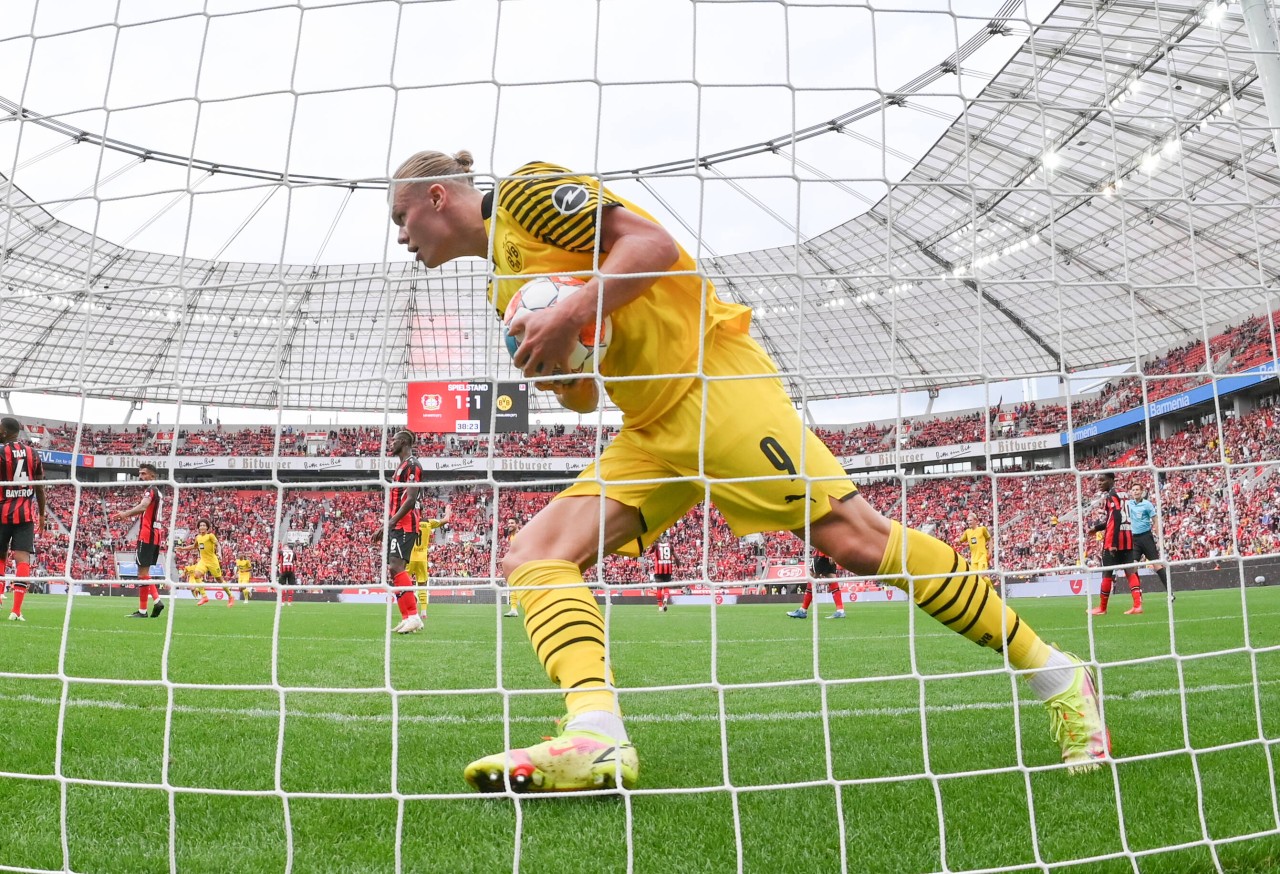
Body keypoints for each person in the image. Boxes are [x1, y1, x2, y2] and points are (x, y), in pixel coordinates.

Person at [389, 150, 1108, 793]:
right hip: (649, 428)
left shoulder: (526, 193)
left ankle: (1058, 674)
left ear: (437, 199)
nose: (400, 236)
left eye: (400, 217)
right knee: (535, 555)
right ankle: (596, 733)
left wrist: (576, 305)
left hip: (712, 386)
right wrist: (564, 366)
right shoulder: (499, 287)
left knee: (855, 540)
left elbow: (652, 245)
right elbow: (583, 396)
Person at [370, 430, 425, 634]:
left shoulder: (411, 465)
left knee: (396, 567)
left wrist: (390, 524)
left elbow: (411, 499)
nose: (390, 445)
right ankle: (407, 617)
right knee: (394, 569)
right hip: (397, 524)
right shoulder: (401, 467)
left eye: (393, 441)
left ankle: (414, 616)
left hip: (406, 525)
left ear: (403, 442)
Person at [0, 417, 46, 622]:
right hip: (25, 514)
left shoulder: (1, 452)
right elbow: (40, 487)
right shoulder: (33, 453)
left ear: (4, 432)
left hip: (2, 511)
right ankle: (16, 611)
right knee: (22, 559)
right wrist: (43, 515)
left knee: (0, 557)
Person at [109, 462, 166, 619]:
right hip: (155, 534)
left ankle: (157, 600)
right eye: (139, 474)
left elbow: (143, 507)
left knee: (142, 572)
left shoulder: (150, 491)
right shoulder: (159, 492)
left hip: (147, 535)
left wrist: (124, 514)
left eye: (144, 474)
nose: (140, 477)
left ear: (152, 475)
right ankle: (142, 611)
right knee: (143, 573)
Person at [1088, 472, 1142, 616]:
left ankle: (1102, 608)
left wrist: (1113, 542)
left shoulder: (1111, 495)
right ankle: (1137, 605)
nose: (1099, 483)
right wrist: (1097, 528)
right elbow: (1115, 517)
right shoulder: (1124, 493)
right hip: (1128, 536)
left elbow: (1116, 516)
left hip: (1114, 538)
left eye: (1102, 480)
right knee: (1130, 572)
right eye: (1098, 481)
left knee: (1107, 572)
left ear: (1111, 480)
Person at [406, 503, 452, 620]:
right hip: (422, 559)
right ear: (421, 510)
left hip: (409, 558)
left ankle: (409, 609)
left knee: (405, 584)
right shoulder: (428, 522)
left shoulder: (408, 522)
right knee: (422, 585)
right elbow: (446, 520)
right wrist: (447, 511)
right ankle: (424, 612)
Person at [1127, 484, 1172, 601]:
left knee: (1157, 565)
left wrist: (1158, 533)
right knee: (1133, 567)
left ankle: (1170, 592)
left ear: (1142, 491)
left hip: (1146, 537)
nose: (1135, 492)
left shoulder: (1147, 504)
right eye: (1133, 490)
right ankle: (1138, 594)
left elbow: (1155, 519)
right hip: (1134, 539)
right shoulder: (1129, 504)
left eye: (1137, 489)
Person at [183, 519, 233, 607]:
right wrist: (182, 548)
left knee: (219, 580)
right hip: (203, 561)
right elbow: (194, 546)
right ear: (198, 527)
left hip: (212, 561)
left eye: (204, 525)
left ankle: (230, 596)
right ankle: (204, 597)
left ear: (207, 527)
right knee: (196, 575)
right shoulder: (198, 537)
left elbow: (218, 544)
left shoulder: (210, 536)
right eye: (200, 525)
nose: (202, 527)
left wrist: (219, 553)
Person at [787, 548, 846, 619]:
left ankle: (803, 610)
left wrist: (831, 553)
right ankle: (840, 610)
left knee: (812, 578)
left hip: (822, 554)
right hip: (826, 553)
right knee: (832, 578)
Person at [960, 513, 997, 589]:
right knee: (976, 578)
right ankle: (990, 591)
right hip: (973, 559)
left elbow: (989, 539)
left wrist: (990, 551)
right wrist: (957, 541)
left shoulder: (982, 529)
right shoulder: (967, 532)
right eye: (968, 521)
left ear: (976, 521)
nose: (969, 522)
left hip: (982, 557)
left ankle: (992, 591)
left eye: (970, 520)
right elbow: (960, 541)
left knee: (981, 575)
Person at [651, 537, 674, 613]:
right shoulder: (669, 545)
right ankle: (666, 599)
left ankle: (660, 607)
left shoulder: (656, 545)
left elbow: (649, 552)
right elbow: (675, 556)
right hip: (668, 569)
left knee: (659, 588)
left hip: (659, 570)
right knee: (666, 586)